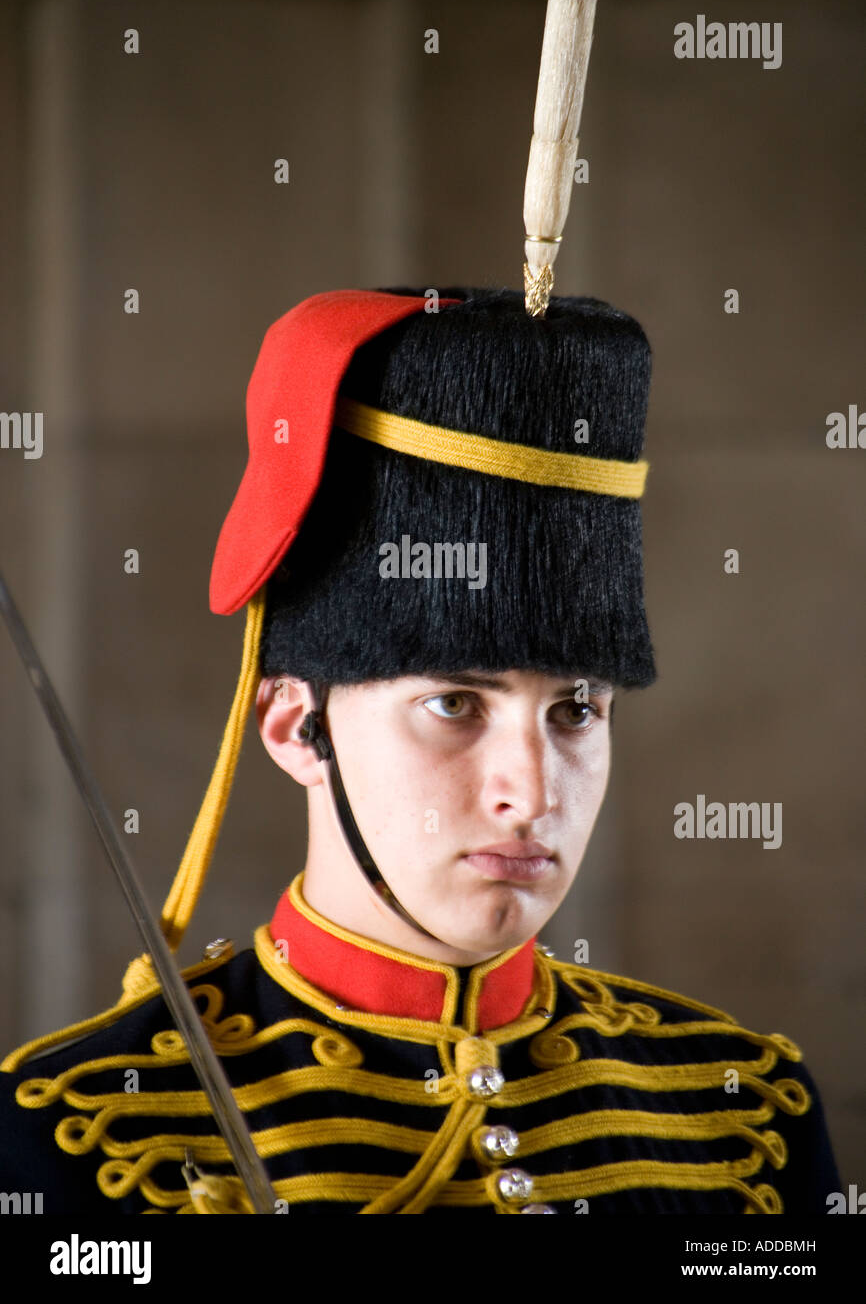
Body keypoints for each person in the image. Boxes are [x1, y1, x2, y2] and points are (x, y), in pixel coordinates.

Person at [0, 286, 840, 1215]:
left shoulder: (743, 1117)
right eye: (454, 704)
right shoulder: (76, 1132)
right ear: (293, 726)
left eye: (575, 711)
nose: (531, 793)